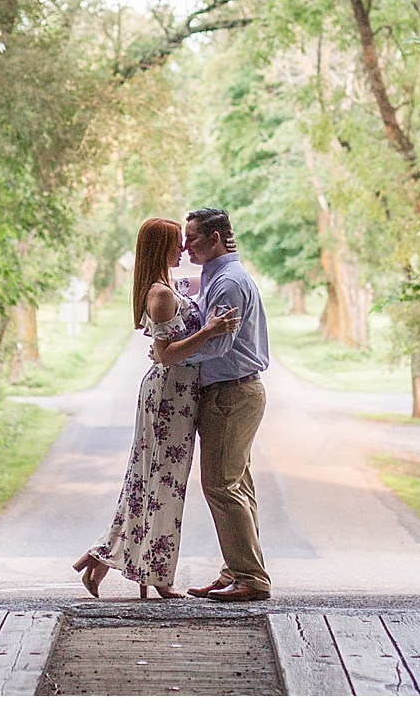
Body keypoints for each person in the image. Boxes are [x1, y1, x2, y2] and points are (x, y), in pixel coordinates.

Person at [74, 217, 238, 599]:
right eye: (175, 243)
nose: (183, 248)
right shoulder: (160, 294)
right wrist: (210, 331)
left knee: (148, 481)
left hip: (180, 395)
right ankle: (157, 575)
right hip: (168, 397)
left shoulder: (170, 286)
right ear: (159, 247)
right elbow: (165, 355)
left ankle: (103, 557)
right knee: (164, 485)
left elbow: (214, 283)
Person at [162, 207, 272, 602]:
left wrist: (171, 354)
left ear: (215, 240)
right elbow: (189, 296)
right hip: (232, 391)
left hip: (231, 392)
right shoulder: (217, 276)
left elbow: (219, 343)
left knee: (221, 486)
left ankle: (251, 578)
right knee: (237, 484)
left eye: (192, 239)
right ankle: (236, 571)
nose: (186, 246)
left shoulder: (228, 283)